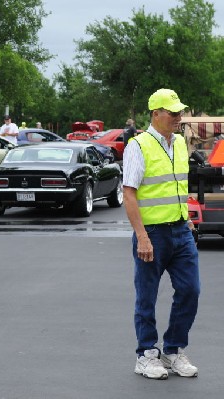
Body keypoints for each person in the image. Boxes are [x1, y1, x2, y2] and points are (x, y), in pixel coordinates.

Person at [123, 88, 199, 380]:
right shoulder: (138, 146)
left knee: (191, 290)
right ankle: (146, 354)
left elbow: (179, 185)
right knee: (147, 297)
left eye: (180, 112)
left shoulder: (180, 143)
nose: (179, 117)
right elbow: (129, 193)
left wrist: (189, 221)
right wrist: (141, 236)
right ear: (156, 114)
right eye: (173, 112)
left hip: (181, 230)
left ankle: (173, 349)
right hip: (152, 233)